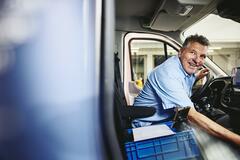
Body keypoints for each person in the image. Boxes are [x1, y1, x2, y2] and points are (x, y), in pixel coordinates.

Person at [133, 34, 240, 145]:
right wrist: (237, 140)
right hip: (145, 128)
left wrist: (197, 76)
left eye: (202, 56)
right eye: (192, 53)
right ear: (181, 52)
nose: (197, 60)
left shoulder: (183, 69)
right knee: (210, 143)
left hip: (164, 120)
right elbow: (192, 115)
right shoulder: (167, 73)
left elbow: (182, 82)